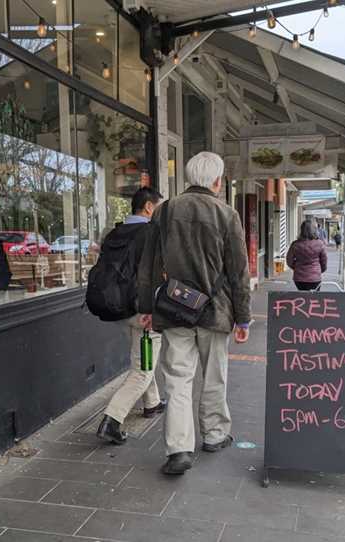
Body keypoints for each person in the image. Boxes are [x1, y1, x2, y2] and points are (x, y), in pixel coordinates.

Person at [138, 152, 252, 476]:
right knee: (214, 375)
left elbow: (148, 265)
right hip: (216, 311)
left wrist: (147, 307)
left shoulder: (166, 210)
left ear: (189, 178)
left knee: (176, 380)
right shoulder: (227, 214)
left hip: (175, 309)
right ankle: (215, 435)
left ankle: (178, 449)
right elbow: (238, 272)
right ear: (217, 181)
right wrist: (243, 317)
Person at [96, 187, 167, 444]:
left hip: (117, 308)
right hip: (143, 312)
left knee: (141, 358)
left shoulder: (115, 232)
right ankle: (112, 420)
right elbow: (157, 274)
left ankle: (153, 403)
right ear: (149, 207)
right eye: (159, 207)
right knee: (143, 369)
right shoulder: (151, 233)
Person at [287, 221, 328, 291]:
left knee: (302, 297)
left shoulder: (295, 244)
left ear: (301, 230)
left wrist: (296, 267)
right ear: (314, 230)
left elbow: (289, 261)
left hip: (299, 278)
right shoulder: (320, 244)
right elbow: (324, 261)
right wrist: (319, 270)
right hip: (315, 278)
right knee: (314, 299)